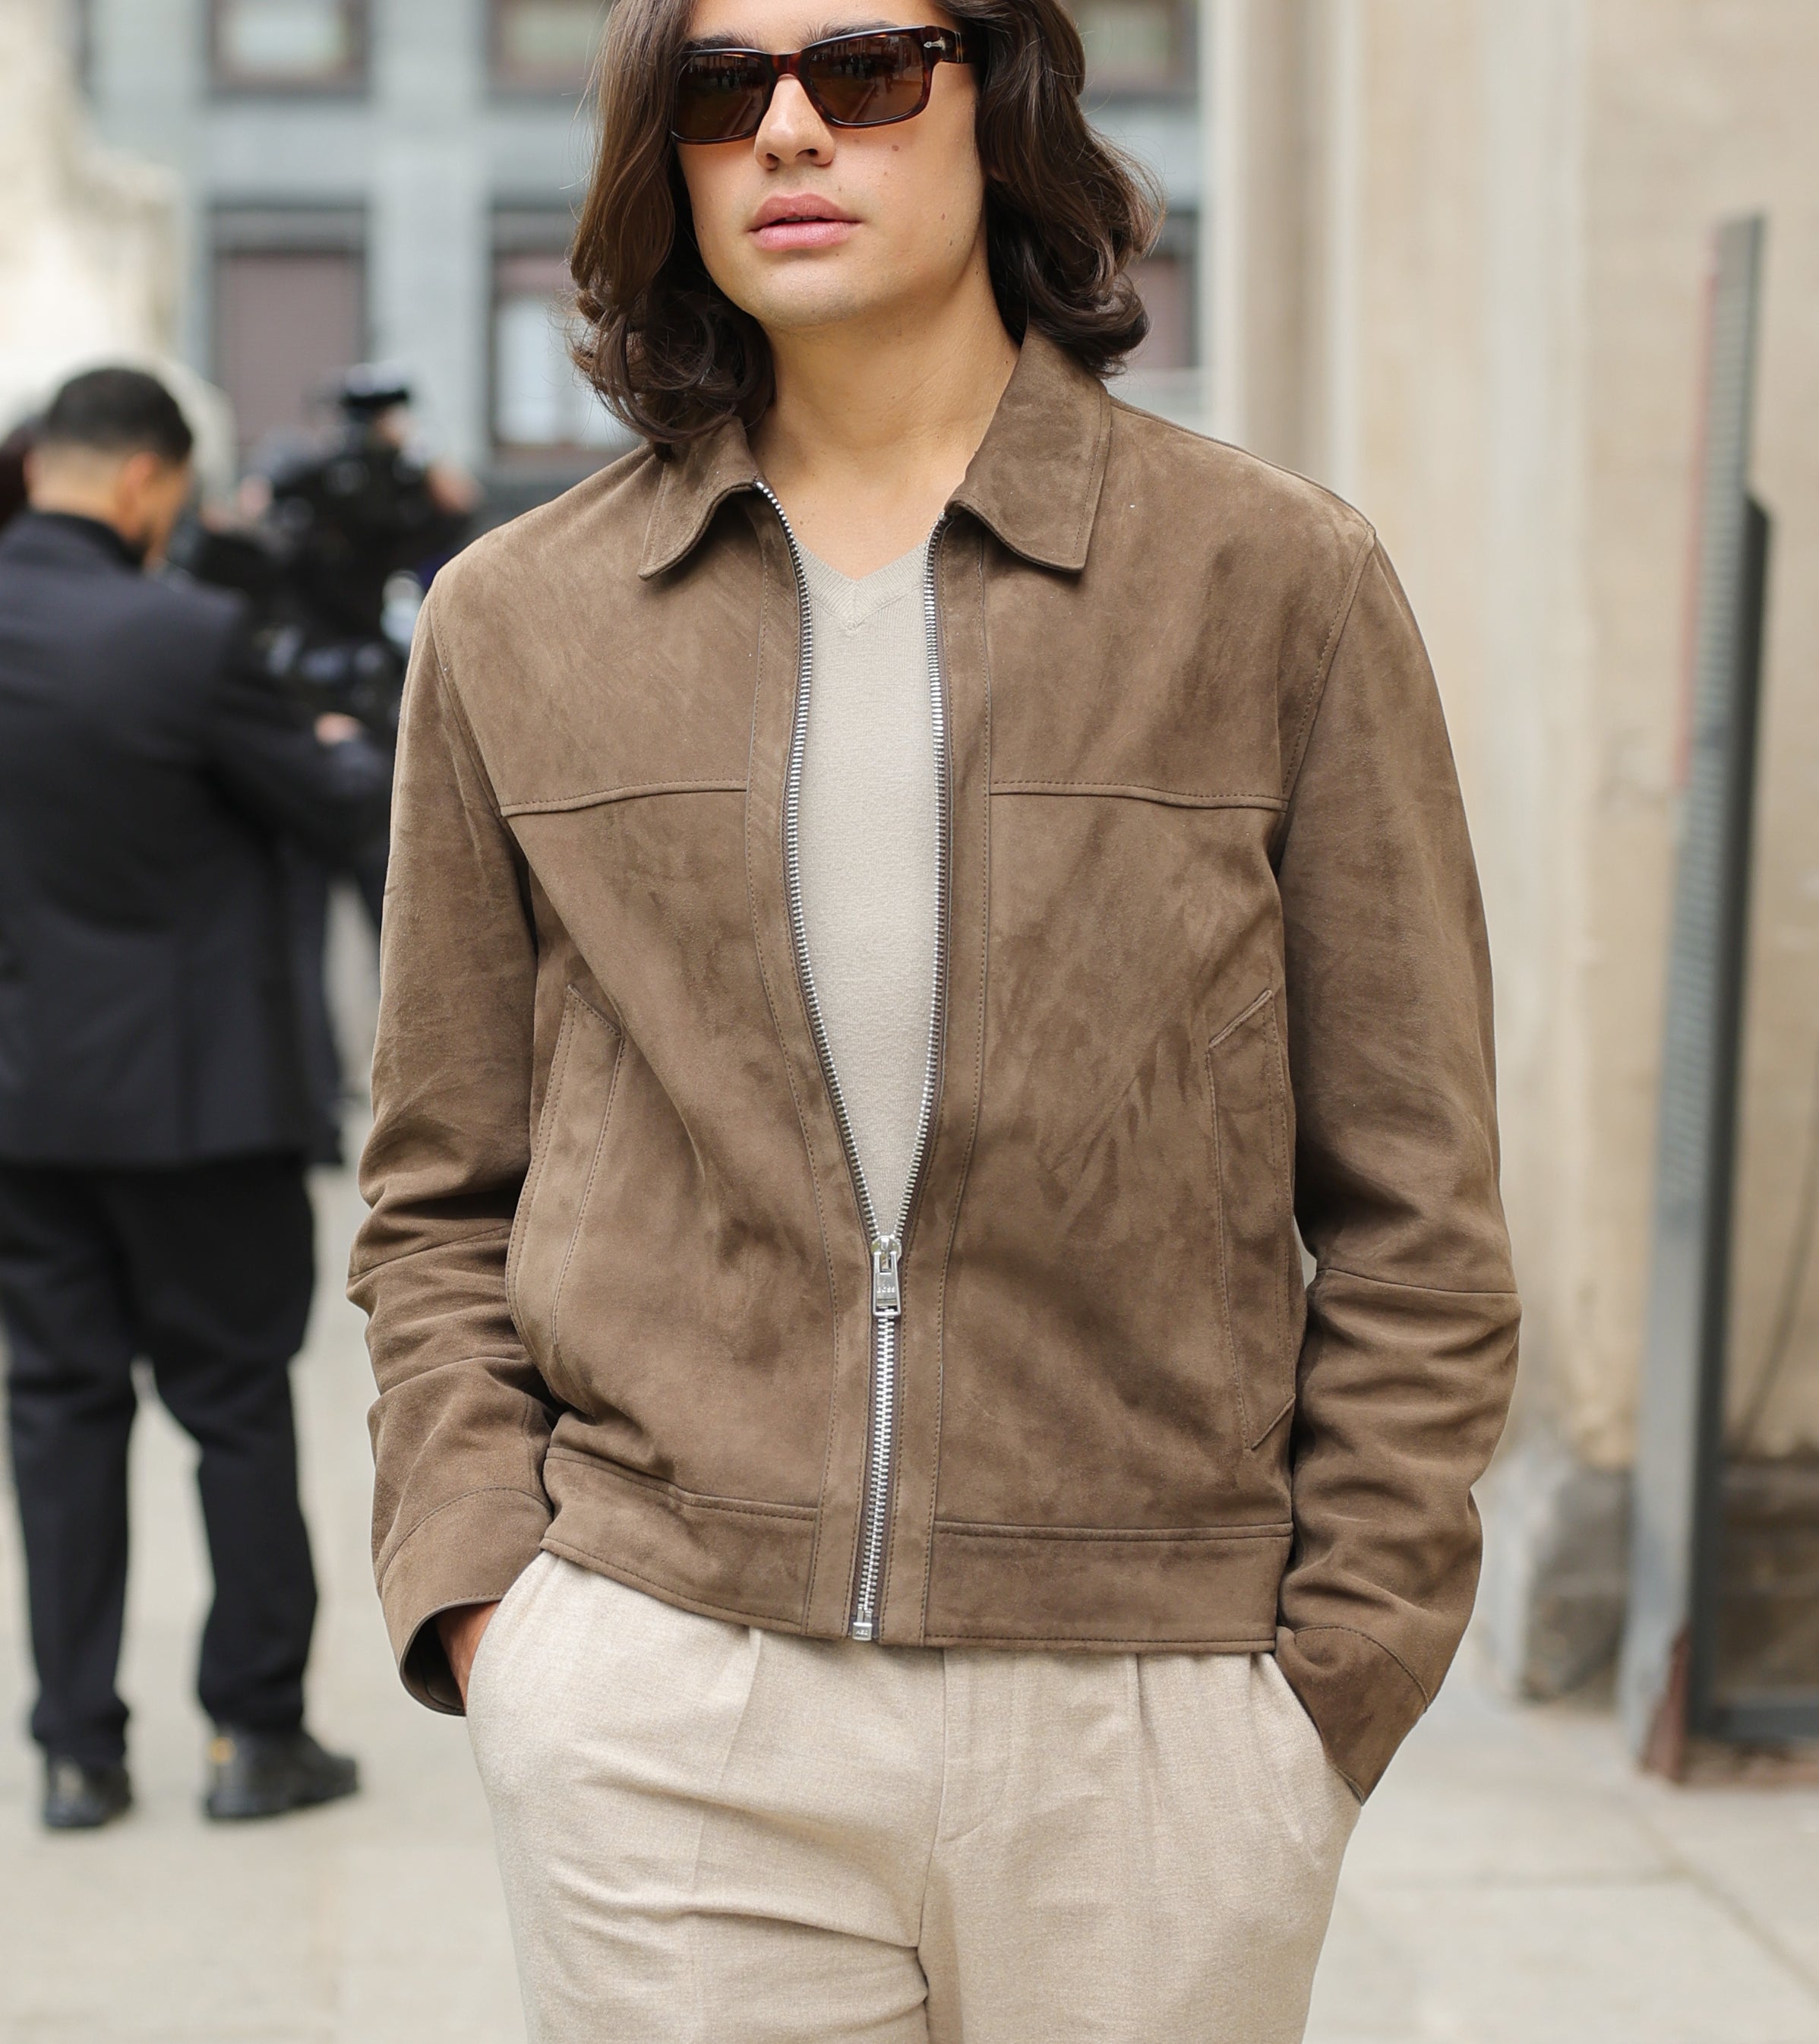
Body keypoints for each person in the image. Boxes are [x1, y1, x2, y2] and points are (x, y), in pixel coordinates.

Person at [352, 0, 1520, 2036]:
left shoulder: (1270, 584)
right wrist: (494, 1612)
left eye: (867, 69)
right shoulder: (514, 622)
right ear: (665, 158)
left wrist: (1334, 1676)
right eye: (725, 92)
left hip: (1151, 1712)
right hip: (666, 1694)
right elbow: (437, 1181)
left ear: (1005, 103)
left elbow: (1414, 1189)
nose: (791, 128)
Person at [0, 367, 382, 1830]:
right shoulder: (189, 636)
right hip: (200, 1104)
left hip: (29, 1103)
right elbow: (333, 804)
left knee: (59, 1415)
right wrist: (340, 748)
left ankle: (77, 1753)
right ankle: (255, 1736)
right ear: (149, 482)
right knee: (234, 1407)